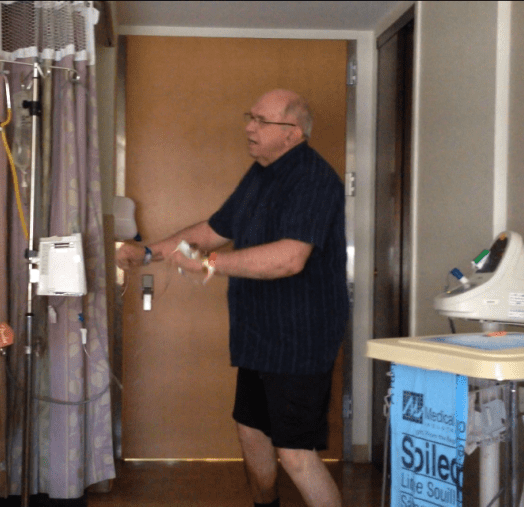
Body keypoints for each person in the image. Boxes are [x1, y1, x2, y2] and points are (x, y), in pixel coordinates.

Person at [116, 89, 349, 507]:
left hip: (299, 340)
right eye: (250, 117)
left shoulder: (314, 179)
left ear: (292, 133)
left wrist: (210, 265)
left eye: (261, 121)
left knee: (296, 454)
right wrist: (149, 253)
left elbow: (290, 258)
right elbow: (215, 229)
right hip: (258, 336)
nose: (249, 127)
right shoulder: (260, 173)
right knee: (252, 434)